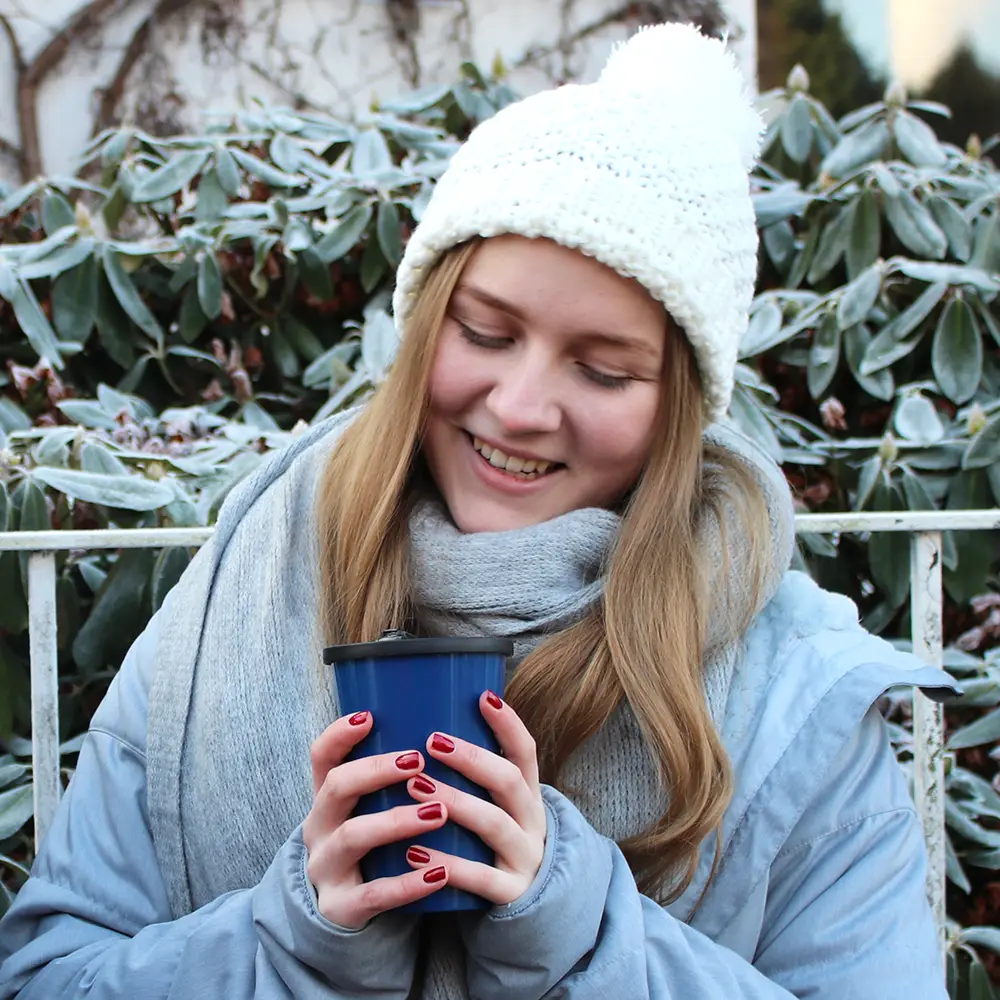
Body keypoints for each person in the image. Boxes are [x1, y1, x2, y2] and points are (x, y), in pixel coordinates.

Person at [0, 22, 957, 1000]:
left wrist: (585, 937)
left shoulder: (794, 693)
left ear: (677, 401)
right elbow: (45, 977)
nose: (520, 409)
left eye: (602, 368)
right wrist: (289, 936)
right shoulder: (239, 592)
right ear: (424, 327)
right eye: (486, 332)